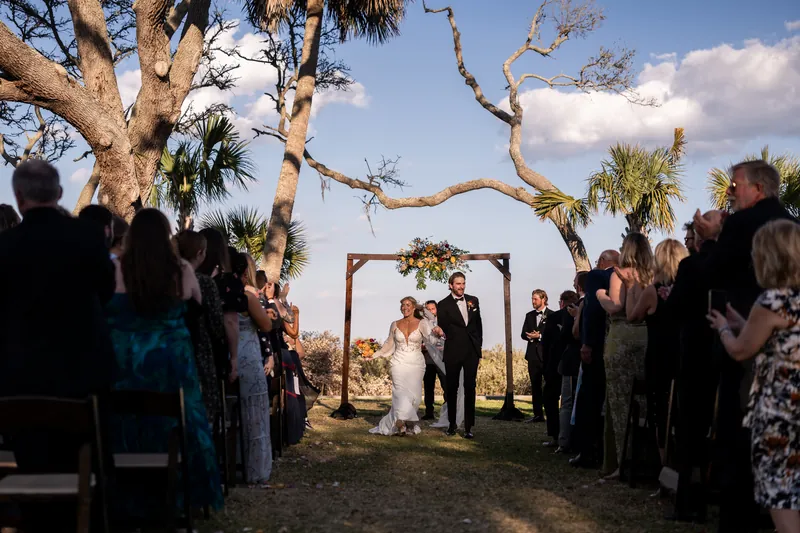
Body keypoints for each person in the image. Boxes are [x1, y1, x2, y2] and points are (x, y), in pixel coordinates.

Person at [0, 160, 115, 531]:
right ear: (60, 193)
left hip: (21, 381)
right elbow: (106, 292)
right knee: (90, 472)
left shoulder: (5, 247)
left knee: (35, 476)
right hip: (86, 374)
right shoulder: (87, 238)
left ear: (18, 198)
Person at [693, 160, 798, 533]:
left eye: (735, 185)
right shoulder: (791, 224)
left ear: (758, 188)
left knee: (742, 443)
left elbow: (711, 272)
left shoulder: (739, 225)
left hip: (758, 369)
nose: (730, 192)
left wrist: (708, 240)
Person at [106, 208, 222, 516]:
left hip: (126, 359)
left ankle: (130, 500)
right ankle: (182, 495)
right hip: (170, 359)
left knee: (128, 423)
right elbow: (198, 309)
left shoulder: (116, 270)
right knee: (177, 422)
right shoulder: (181, 269)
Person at [621, 238, 689, 462]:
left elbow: (632, 316)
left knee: (660, 411)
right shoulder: (687, 289)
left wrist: (631, 288)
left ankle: (664, 468)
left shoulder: (654, 291)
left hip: (660, 357)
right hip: (685, 354)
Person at [597, 233, 652, 478]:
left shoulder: (619, 274)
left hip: (621, 339)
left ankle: (622, 463)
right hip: (647, 338)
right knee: (646, 401)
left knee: (620, 403)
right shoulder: (652, 274)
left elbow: (616, 306)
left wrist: (600, 296)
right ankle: (647, 461)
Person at [570, 250, 619, 468]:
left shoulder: (598, 276)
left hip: (598, 345)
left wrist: (587, 343)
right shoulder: (636, 276)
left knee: (589, 399)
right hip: (620, 344)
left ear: (601, 262)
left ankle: (588, 450)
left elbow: (591, 310)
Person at [230, 251, 276, 484]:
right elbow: (266, 325)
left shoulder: (223, 293)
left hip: (230, 354)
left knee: (233, 413)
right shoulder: (247, 296)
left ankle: (233, 464)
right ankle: (256, 470)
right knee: (255, 414)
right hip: (248, 355)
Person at [367, 297, 441, 436]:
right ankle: (400, 422)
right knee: (400, 391)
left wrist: (438, 333)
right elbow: (388, 344)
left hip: (416, 363)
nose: (404, 307)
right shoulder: (394, 324)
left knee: (415, 396)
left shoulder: (422, 323)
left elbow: (431, 340)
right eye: (402, 305)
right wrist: (374, 355)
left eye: (408, 305)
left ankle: (407, 422)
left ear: (413, 307)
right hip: (398, 362)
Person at [176, 230, 225, 421]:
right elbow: (216, 325)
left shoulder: (164, 278)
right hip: (198, 350)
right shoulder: (204, 283)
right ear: (200, 253)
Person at [434, 272, 483, 439]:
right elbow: (444, 328)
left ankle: (469, 426)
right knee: (452, 389)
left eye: (463, 283)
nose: (461, 287)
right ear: (450, 285)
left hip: (471, 352)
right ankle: (452, 424)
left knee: (470, 388)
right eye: (458, 284)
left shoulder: (473, 300)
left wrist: (478, 346)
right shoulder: (443, 304)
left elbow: (478, 325)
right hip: (453, 351)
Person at [541, 290, 579, 448]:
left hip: (555, 363)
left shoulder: (554, 317)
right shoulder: (579, 314)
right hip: (575, 364)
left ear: (562, 302)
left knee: (550, 398)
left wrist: (546, 364)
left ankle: (556, 436)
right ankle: (573, 436)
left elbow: (546, 344)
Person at [522, 289, 553, 424]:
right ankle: (537, 414)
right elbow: (523, 333)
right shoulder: (529, 316)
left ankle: (551, 414)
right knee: (535, 385)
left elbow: (553, 334)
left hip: (546, 356)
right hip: (533, 356)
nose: (533, 301)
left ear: (543, 299)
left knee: (549, 386)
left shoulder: (552, 315)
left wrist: (540, 336)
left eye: (535, 299)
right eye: (532, 299)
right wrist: (530, 336)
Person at [422, 300, 447, 420]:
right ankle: (429, 412)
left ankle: (447, 410)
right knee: (428, 386)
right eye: (428, 309)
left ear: (437, 309)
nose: (431, 311)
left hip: (442, 358)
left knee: (446, 385)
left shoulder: (443, 322)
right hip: (428, 359)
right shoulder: (422, 324)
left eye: (433, 308)